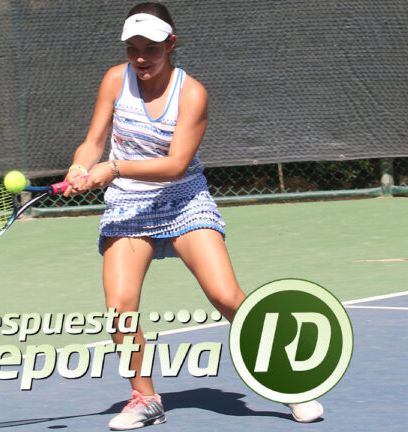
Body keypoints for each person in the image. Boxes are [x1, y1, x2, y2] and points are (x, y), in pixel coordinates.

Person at [63, 2, 324, 429]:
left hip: (183, 199)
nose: (141, 58)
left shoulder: (193, 93)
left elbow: (175, 164)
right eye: (133, 48)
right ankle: (145, 400)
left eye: (151, 48)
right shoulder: (115, 79)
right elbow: (93, 141)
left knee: (226, 296)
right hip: (128, 206)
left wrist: (111, 168)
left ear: (172, 44)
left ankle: (288, 380)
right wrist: (80, 165)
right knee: (119, 310)